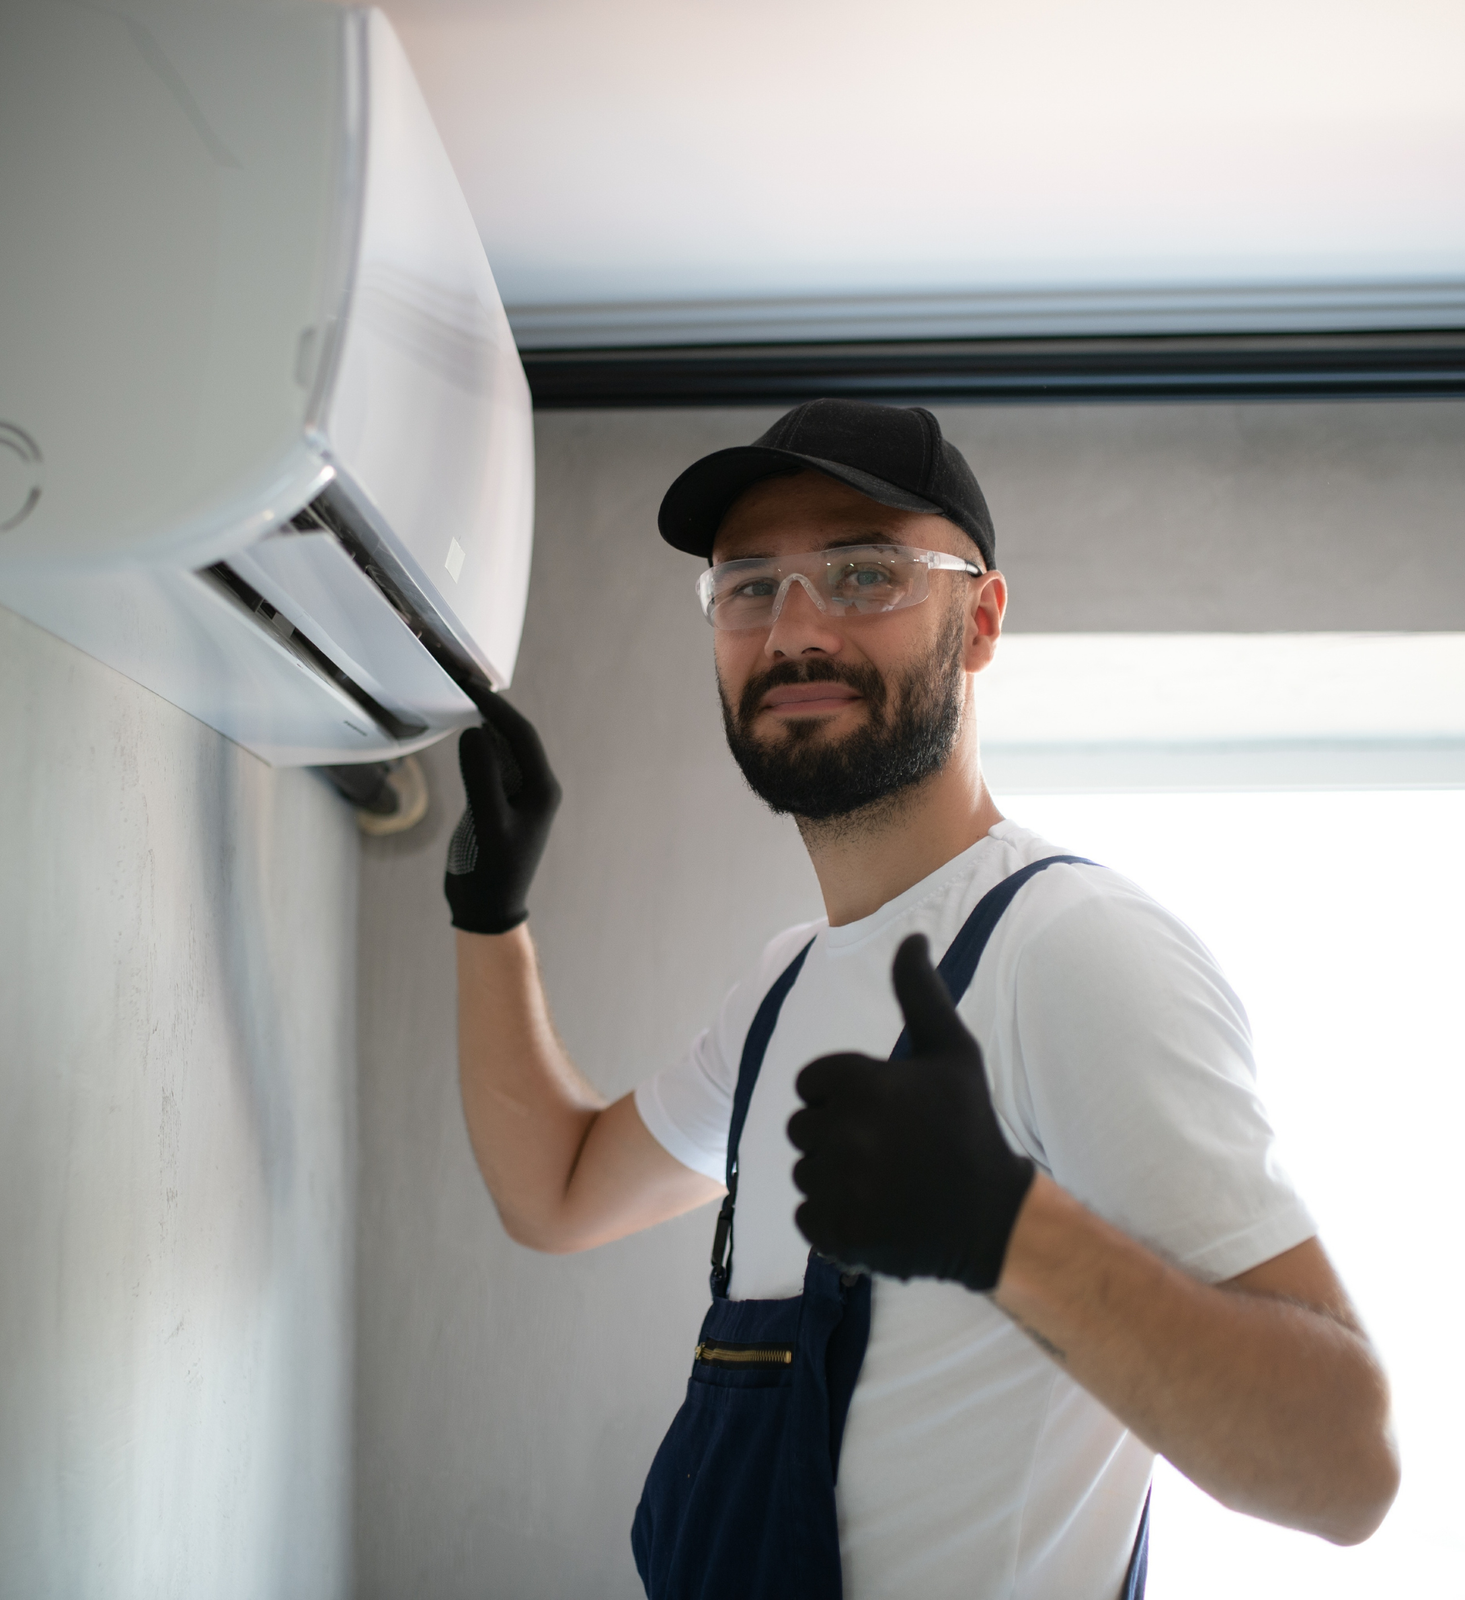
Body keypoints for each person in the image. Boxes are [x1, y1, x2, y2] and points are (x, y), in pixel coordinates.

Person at [442, 399, 1399, 1599]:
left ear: (980, 619)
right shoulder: (786, 985)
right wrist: (489, 916)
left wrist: (1003, 1229)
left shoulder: (1073, 948)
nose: (793, 628)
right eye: (748, 586)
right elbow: (561, 1191)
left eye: (860, 573)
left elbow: (1346, 1469)